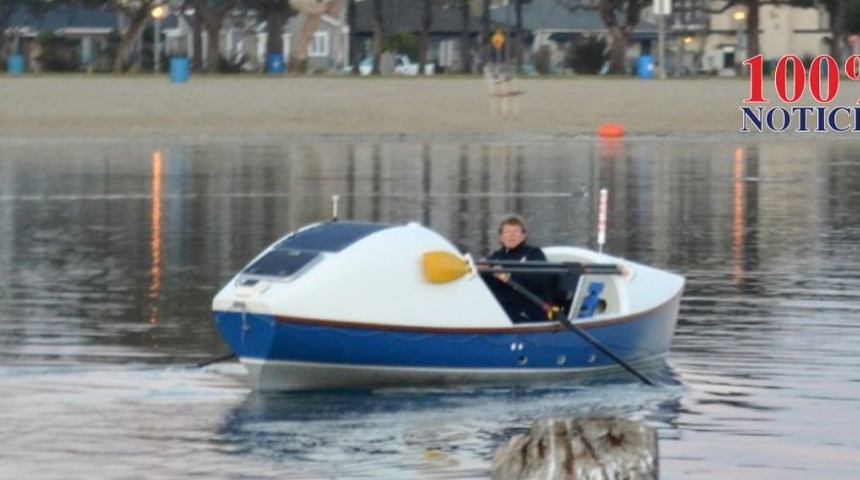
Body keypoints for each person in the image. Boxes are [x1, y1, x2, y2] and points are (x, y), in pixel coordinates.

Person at [481, 214, 555, 323]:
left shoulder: (534, 254)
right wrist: (479, 270)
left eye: (515, 232)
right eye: (507, 232)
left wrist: (510, 275)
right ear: (501, 237)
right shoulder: (495, 257)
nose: (511, 236)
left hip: (530, 311)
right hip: (502, 312)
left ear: (524, 236)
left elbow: (541, 279)